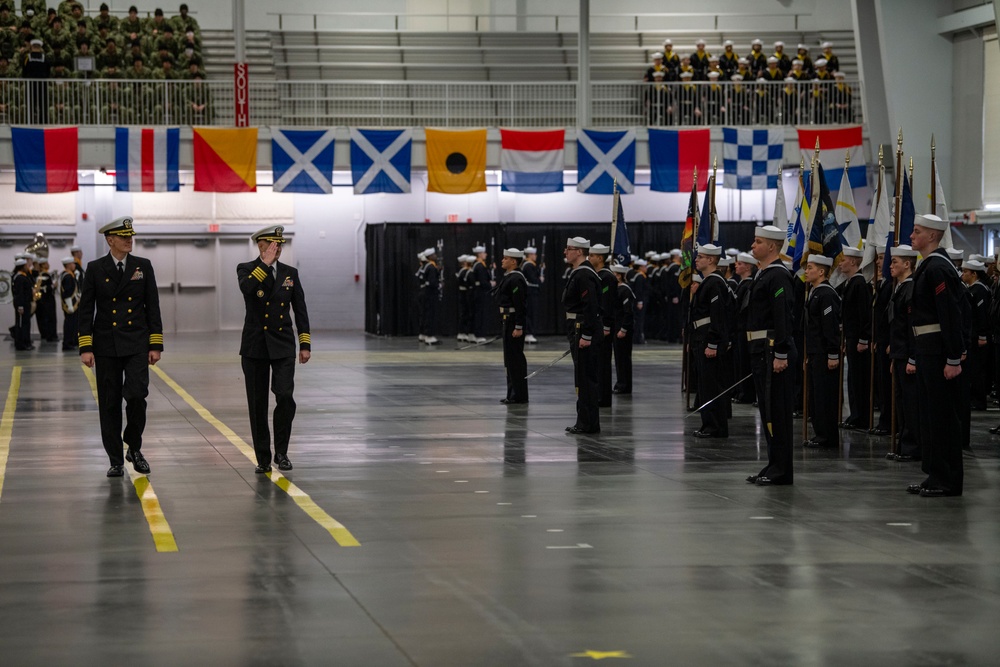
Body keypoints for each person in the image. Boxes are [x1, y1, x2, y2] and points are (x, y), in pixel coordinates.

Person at [77, 217, 163, 477]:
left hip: (136, 342)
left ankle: (133, 446)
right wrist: (85, 346)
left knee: (137, 395)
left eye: (131, 236)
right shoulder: (95, 268)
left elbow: (153, 306)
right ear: (110, 240)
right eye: (123, 236)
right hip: (106, 345)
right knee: (109, 402)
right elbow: (85, 310)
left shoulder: (142, 266)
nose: (129, 240)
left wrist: (155, 343)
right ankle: (115, 459)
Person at [237, 225, 311, 474]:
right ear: (260, 245)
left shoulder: (291, 273)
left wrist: (305, 343)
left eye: (280, 244)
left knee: (285, 397)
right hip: (255, 346)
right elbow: (247, 290)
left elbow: (300, 309)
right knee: (257, 404)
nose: (277, 248)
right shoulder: (246, 269)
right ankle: (263, 458)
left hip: (282, 345)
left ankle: (282, 452)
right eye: (271, 244)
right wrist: (265, 264)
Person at [906, 214, 964, 497]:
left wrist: (953, 357)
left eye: (917, 232)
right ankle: (934, 474)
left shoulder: (939, 268)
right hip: (927, 349)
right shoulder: (927, 267)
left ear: (932, 236)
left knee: (942, 418)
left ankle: (948, 479)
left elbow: (950, 314)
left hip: (939, 352)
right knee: (929, 416)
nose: (911, 236)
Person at [745, 226, 796, 486]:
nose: (753, 246)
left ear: (772, 247)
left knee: (777, 412)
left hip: (772, 351)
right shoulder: (763, 275)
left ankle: (781, 470)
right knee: (767, 413)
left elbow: (782, 316)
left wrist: (781, 352)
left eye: (758, 242)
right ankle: (773, 464)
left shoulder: (778, 276)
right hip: (760, 351)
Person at [690, 244, 733, 438]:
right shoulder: (708, 282)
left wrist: (713, 343)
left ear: (711, 260)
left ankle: (715, 426)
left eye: (701, 257)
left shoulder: (715, 282)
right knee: (705, 385)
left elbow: (717, 315)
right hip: (703, 336)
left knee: (712, 385)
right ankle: (709, 423)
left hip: (709, 338)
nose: (696, 260)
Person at [562, 237, 602, 435]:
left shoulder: (584, 274)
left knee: (586, 379)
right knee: (582, 378)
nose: (565, 252)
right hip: (577, 328)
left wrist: (586, 334)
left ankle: (588, 423)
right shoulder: (579, 273)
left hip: (582, 329)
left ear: (579, 252)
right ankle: (585, 421)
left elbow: (591, 306)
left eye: (569, 249)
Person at [802, 254, 842, 448]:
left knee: (825, 396)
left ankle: (827, 436)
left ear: (821, 271)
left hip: (825, 353)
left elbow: (830, 327)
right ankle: (820, 433)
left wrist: (833, 353)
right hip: (816, 352)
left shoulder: (826, 294)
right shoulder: (815, 292)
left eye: (810, 268)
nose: (806, 271)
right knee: (816, 395)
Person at [886, 245, 920, 461]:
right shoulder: (899, 288)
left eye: (895, 262)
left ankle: (912, 448)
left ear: (907, 264)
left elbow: (912, 328)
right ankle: (903, 445)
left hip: (908, 356)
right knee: (901, 403)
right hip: (899, 355)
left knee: (910, 404)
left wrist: (911, 358)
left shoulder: (910, 289)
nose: (890, 266)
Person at [494, 248, 528, 405]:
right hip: (507, 319)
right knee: (509, 360)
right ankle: (512, 393)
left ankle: (519, 394)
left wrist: (519, 326)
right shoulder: (509, 277)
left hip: (514, 321)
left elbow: (520, 304)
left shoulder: (516, 279)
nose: (502, 260)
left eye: (506, 258)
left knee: (515, 360)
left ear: (514, 261)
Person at [589, 243, 616, 408]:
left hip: (604, 325)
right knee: (598, 362)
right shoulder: (596, 275)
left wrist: (605, 326)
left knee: (603, 363)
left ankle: (603, 397)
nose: (589, 258)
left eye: (592, 255)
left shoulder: (607, 277)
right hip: (598, 324)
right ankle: (598, 394)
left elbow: (607, 303)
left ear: (600, 258)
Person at [732, 251, 757, 403]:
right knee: (738, 363)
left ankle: (746, 393)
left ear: (748, 267)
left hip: (743, 328)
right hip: (739, 329)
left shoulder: (748, 285)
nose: (736, 265)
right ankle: (740, 391)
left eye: (740, 264)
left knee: (744, 363)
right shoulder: (742, 284)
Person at [611, 263, 634, 394]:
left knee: (624, 358)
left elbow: (628, 312)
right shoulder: (616, 289)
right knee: (619, 358)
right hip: (617, 327)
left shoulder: (625, 290)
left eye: (615, 274)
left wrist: (624, 329)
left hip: (623, 329)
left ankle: (624, 385)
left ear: (620, 276)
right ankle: (620, 383)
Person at [11, 255, 34, 351]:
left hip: (25, 303)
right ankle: (22, 344)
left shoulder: (22, 276)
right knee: (22, 324)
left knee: (25, 324)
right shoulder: (20, 278)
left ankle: (26, 342)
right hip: (22, 304)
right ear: (22, 266)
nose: (27, 267)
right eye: (25, 265)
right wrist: (20, 306)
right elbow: (19, 293)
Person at [33, 256, 58, 342]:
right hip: (47, 300)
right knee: (49, 318)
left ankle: (46, 334)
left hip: (44, 300)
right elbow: (43, 288)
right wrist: (53, 286)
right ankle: (50, 335)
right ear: (43, 265)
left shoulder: (40, 275)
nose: (48, 264)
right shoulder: (44, 275)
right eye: (46, 263)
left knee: (44, 318)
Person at [471, 244, 493, 344]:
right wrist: (490, 284)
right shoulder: (479, 266)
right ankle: (479, 335)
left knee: (479, 313)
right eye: (484, 253)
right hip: (480, 292)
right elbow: (483, 281)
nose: (486, 254)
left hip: (479, 292)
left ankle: (478, 333)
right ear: (479, 254)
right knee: (480, 314)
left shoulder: (479, 265)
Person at [419, 247, 441, 346]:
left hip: (424, 292)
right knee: (431, 314)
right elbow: (432, 282)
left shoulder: (425, 266)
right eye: (434, 255)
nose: (435, 256)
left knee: (425, 313)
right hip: (430, 293)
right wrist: (440, 285)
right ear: (430, 256)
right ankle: (429, 336)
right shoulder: (431, 267)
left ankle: (423, 333)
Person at [59, 255, 80, 351]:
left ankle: (71, 342)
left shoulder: (69, 275)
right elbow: (67, 293)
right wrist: (70, 306)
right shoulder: (67, 276)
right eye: (72, 263)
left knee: (73, 324)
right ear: (68, 265)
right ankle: (67, 343)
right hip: (70, 305)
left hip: (73, 303)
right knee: (69, 325)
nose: (74, 265)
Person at [521, 245, 541, 344]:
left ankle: (529, 333)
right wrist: (540, 279)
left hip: (531, 292)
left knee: (531, 313)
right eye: (534, 254)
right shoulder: (528, 265)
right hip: (531, 292)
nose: (536, 256)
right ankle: (529, 333)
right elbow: (533, 279)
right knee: (531, 313)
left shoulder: (529, 265)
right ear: (530, 255)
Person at [455, 254, 473, 343]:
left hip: (463, 293)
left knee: (464, 313)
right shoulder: (464, 271)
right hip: (464, 294)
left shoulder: (462, 271)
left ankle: (463, 332)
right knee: (465, 313)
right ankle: (463, 332)